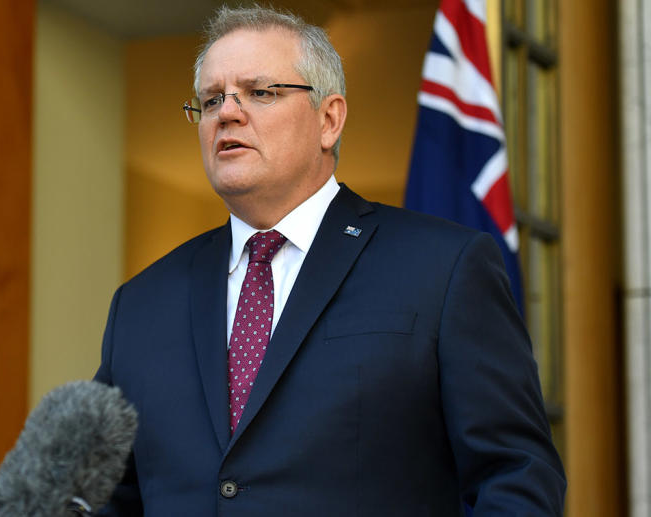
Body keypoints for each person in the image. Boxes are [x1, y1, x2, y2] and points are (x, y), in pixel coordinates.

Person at [93, 5, 565, 516]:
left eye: (260, 92)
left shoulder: (443, 269)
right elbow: (103, 498)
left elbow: (516, 476)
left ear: (329, 119)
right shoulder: (141, 304)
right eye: (210, 100)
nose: (226, 112)